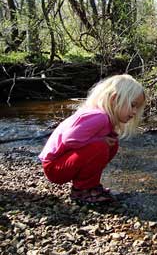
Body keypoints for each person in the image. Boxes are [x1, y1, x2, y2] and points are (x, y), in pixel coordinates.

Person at [39, 74, 146, 205]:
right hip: (54, 168)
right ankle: (82, 191)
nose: (135, 112)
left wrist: (102, 140)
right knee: (100, 147)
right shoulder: (99, 116)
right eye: (133, 105)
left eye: (137, 107)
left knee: (110, 144)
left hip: (62, 163)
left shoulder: (102, 116)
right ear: (113, 99)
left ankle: (91, 185)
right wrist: (101, 140)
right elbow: (69, 139)